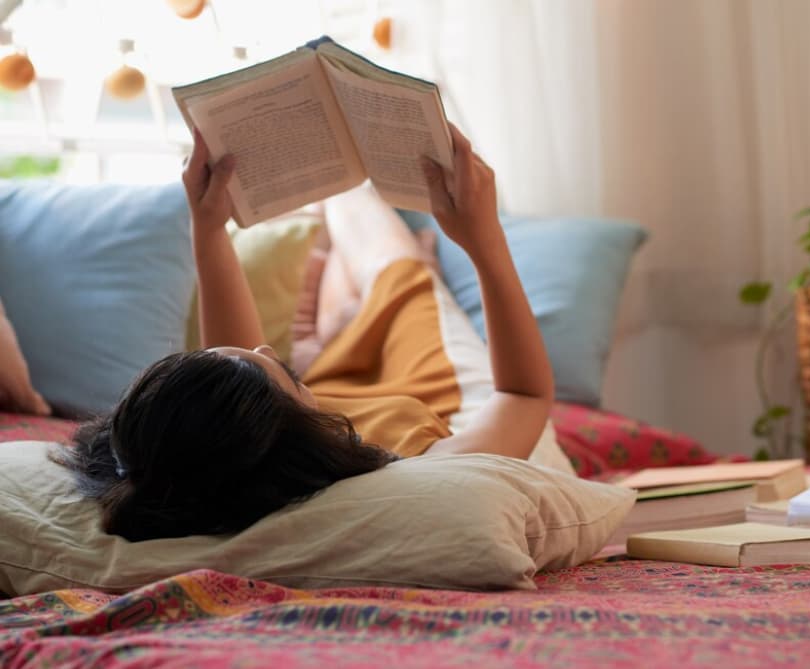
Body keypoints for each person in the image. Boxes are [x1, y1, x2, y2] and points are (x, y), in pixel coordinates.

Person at [55, 124, 554, 542]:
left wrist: (208, 230)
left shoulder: (225, 460)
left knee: (359, 285)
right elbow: (524, 394)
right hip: (450, 396)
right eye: (285, 368)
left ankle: (331, 253)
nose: (266, 345)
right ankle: (345, 204)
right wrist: (482, 238)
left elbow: (236, 384)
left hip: (343, 400)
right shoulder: (424, 471)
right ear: (287, 432)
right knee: (395, 270)